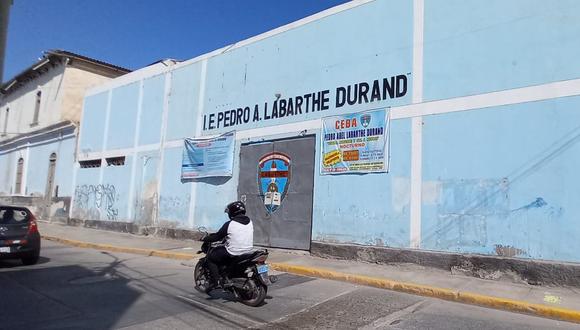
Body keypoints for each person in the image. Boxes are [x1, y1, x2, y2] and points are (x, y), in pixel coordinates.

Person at [203, 201, 254, 291]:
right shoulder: (250, 221)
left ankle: (216, 281)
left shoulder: (230, 224)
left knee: (211, 257)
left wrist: (205, 238)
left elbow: (218, 236)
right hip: (248, 251)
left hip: (233, 252)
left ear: (232, 212)